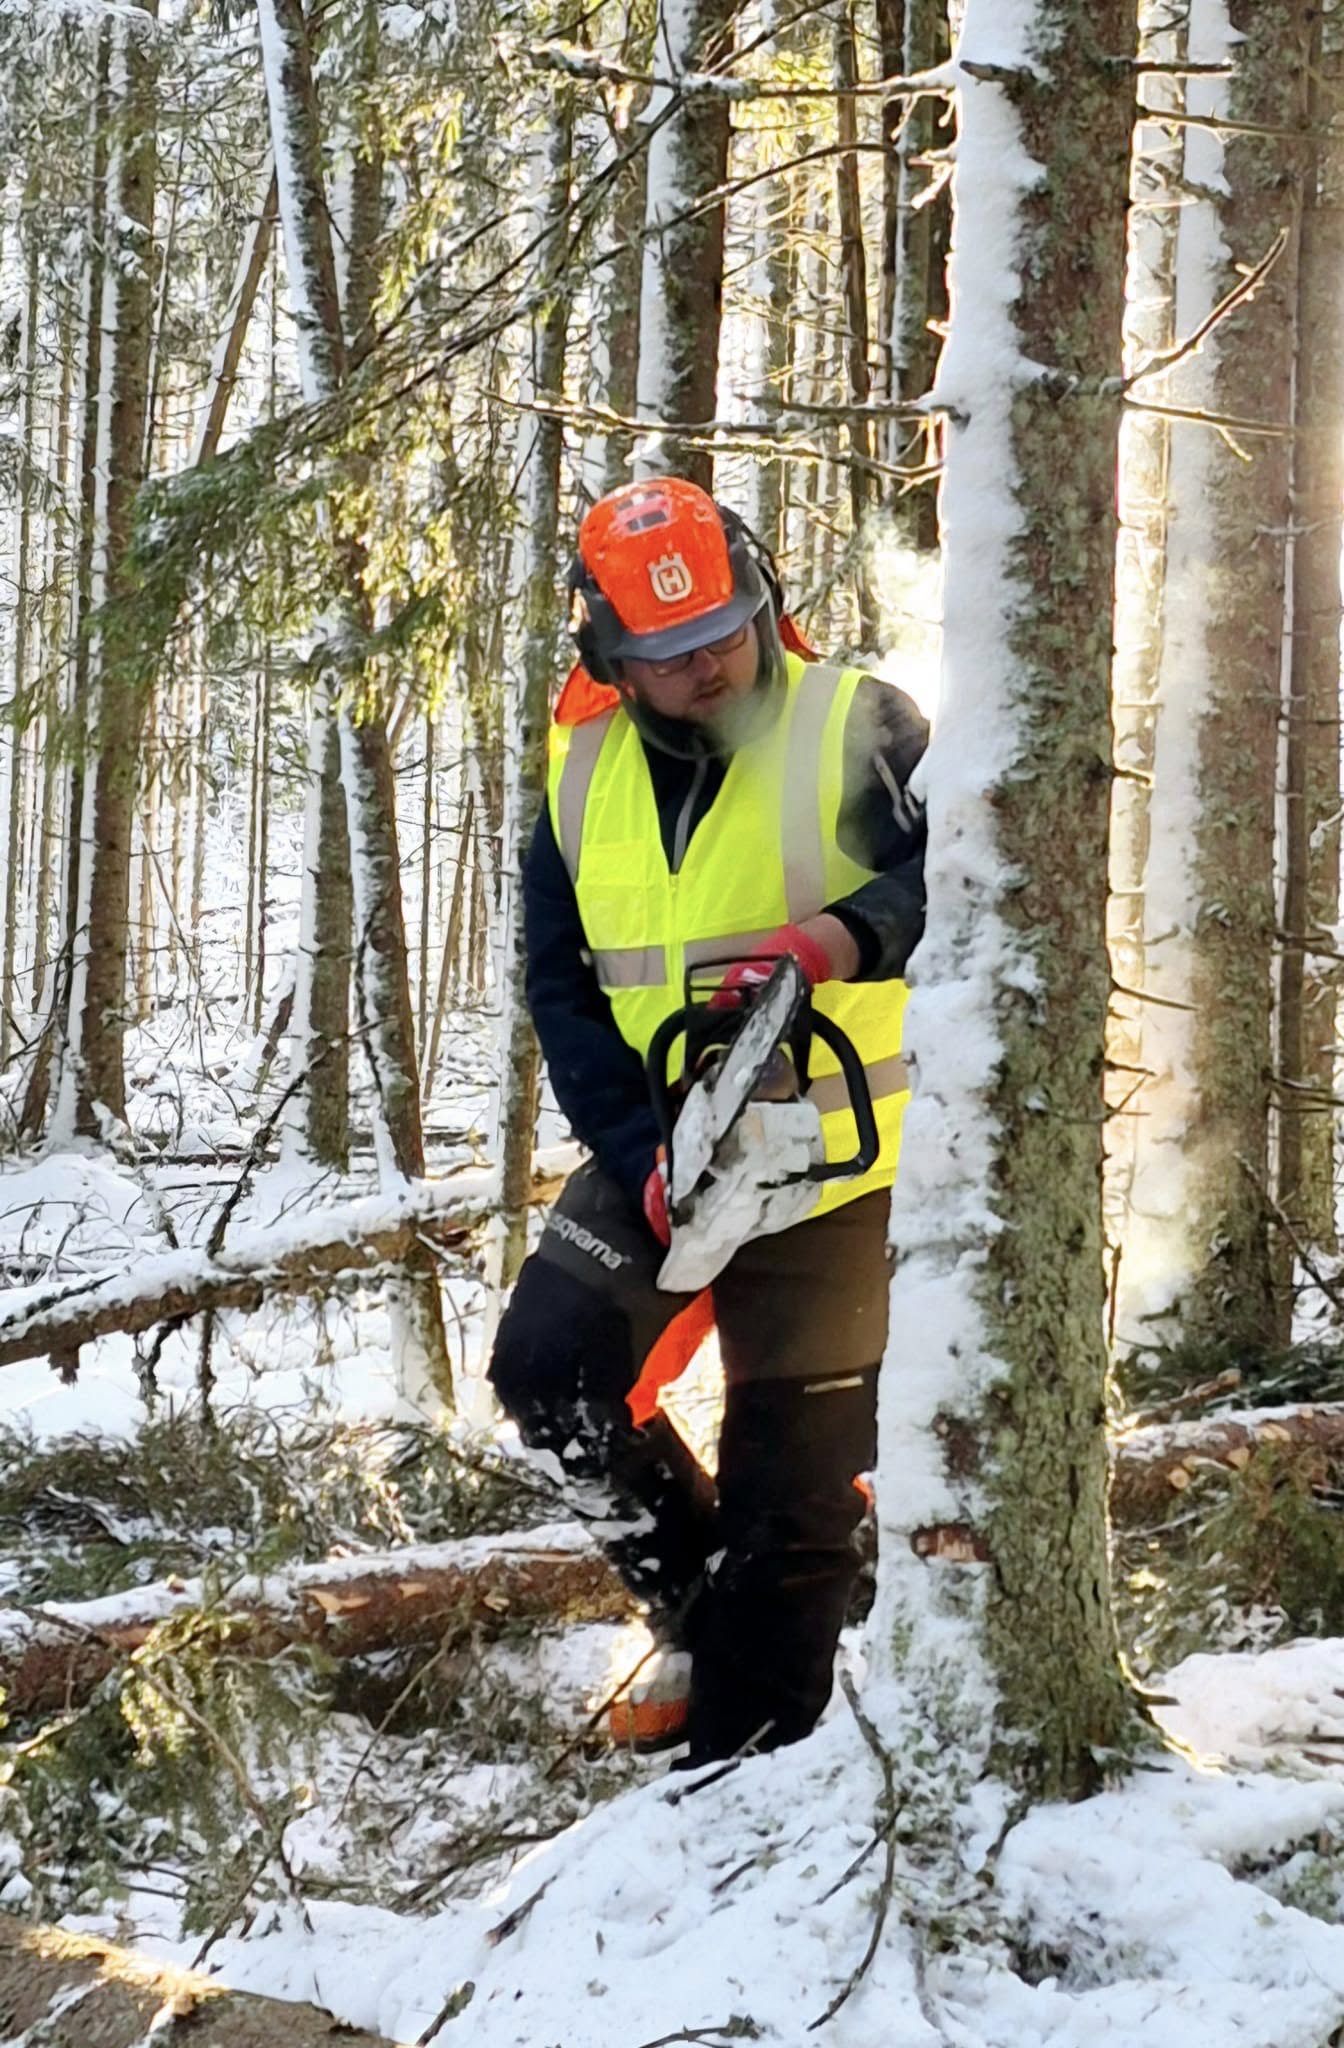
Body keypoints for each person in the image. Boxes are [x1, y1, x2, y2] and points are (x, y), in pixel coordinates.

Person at [489, 476, 927, 1766]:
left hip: (839, 1168)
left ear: (759, 595)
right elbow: (564, 991)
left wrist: (853, 934)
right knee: (550, 1373)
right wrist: (638, 1159)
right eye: (667, 655)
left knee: (788, 1494)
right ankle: (697, 1609)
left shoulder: (862, 720)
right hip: (664, 1146)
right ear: (608, 655)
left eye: (723, 632)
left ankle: (741, 1774)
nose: (705, 665)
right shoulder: (581, 775)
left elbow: (985, 861)